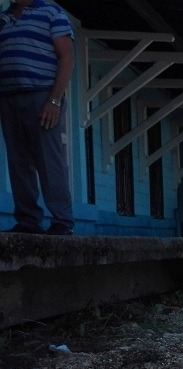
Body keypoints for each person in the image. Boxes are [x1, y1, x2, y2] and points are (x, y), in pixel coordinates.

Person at [0, 0, 75, 235]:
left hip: (42, 95)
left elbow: (67, 57)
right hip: (9, 96)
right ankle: (28, 221)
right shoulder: (3, 18)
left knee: (49, 159)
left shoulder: (52, 12)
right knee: (18, 161)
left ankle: (62, 222)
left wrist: (54, 99)